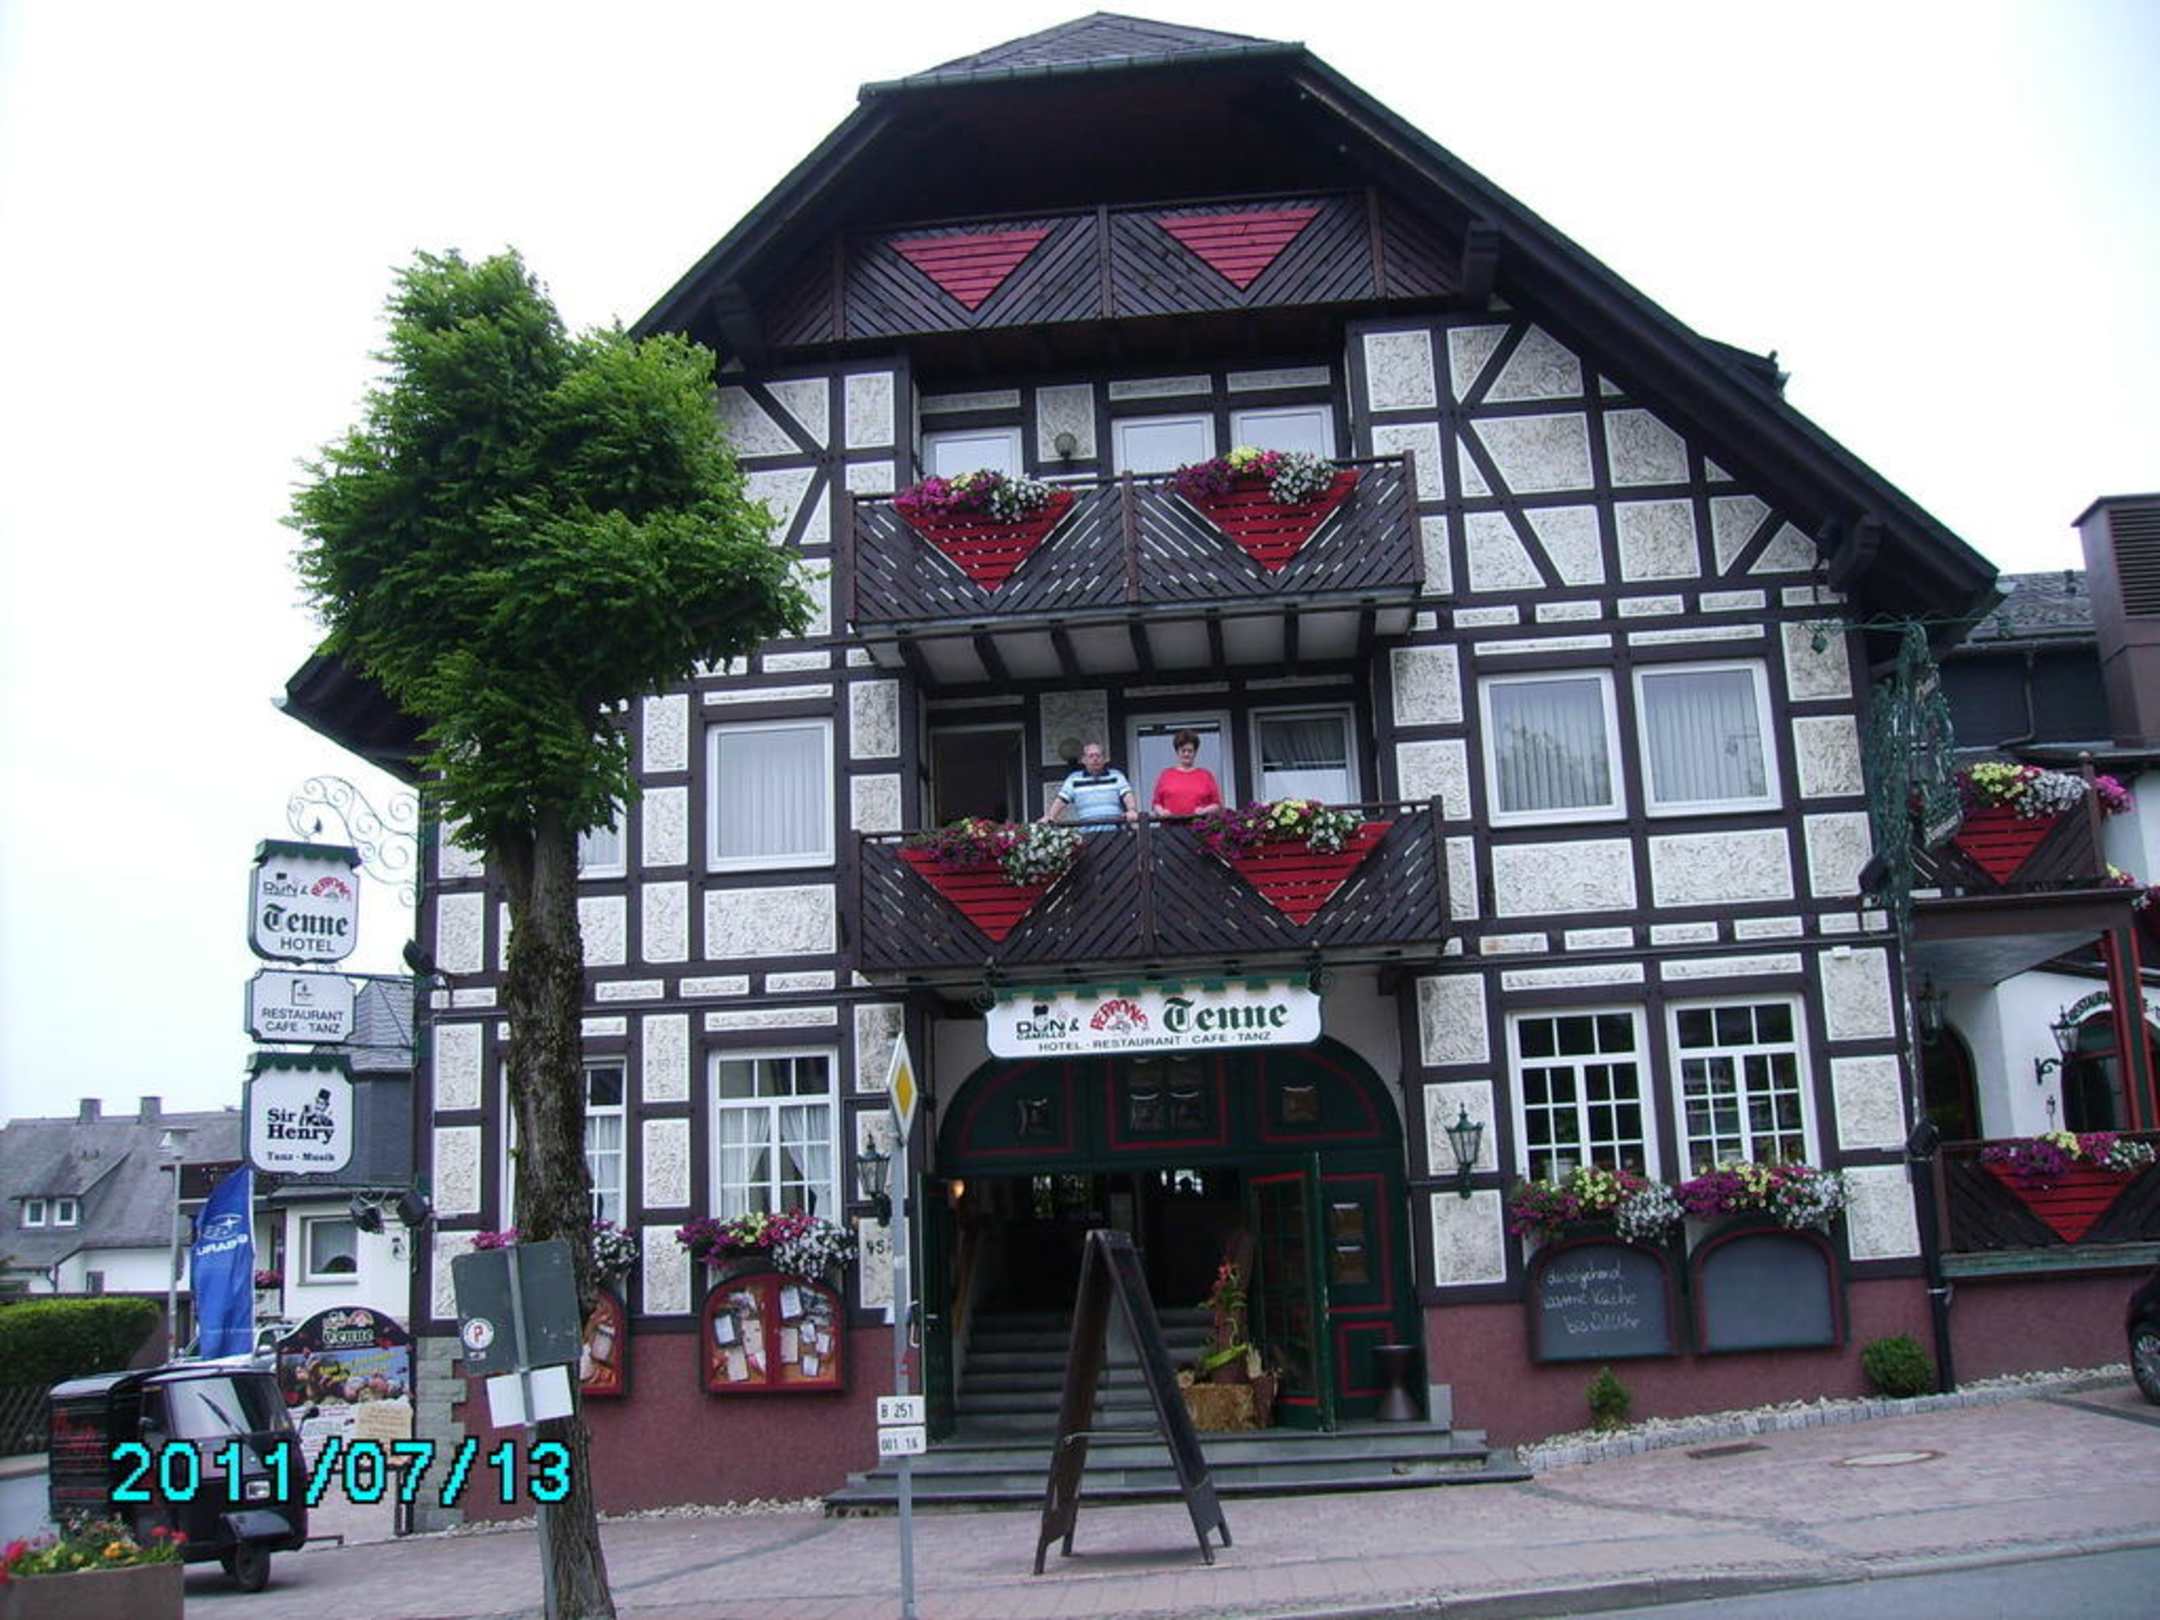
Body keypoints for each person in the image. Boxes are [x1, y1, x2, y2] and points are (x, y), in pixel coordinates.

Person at [1047, 740, 1137, 827]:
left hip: (1115, 831)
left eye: (1098, 756)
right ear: (1084, 760)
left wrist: (1132, 810)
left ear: (1104, 759)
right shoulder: (1073, 779)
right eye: (1091, 756)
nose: (1095, 759)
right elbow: (1061, 800)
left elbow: (1127, 795)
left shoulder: (1117, 776)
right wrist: (1051, 817)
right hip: (1087, 832)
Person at [1150, 728, 1223, 817]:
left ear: (1195, 752)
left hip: (1199, 824)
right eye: (1183, 750)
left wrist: (1204, 810)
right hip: (1170, 825)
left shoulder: (1206, 775)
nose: (1186, 754)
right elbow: (1156, 804)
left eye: (1190, 751)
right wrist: (1162, 812)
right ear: (1177, 751)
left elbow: (1216, 805)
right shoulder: (1166, 775)